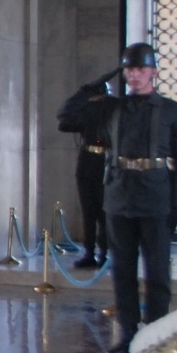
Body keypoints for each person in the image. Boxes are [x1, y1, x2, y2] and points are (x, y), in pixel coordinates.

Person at [57, 43, 177, 353]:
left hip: (156, 196)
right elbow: (67, 114)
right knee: (124, 271)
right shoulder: (110, 108)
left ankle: (156, 331)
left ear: (153, 72)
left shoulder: (173, 111)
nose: (134, 75)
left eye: (140, 69)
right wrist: (95, 83)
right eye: (128, 69)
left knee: (157, 272)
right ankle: (129, 333)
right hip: (118, 195)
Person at [59, 73, 114, 268]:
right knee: (88, 211)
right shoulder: (86, 110)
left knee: (103, 212)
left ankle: (104, 253)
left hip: (105, 162)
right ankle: (89, 253)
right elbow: (63, 120)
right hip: (87, 162)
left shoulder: (112, 109)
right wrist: (81, 97)